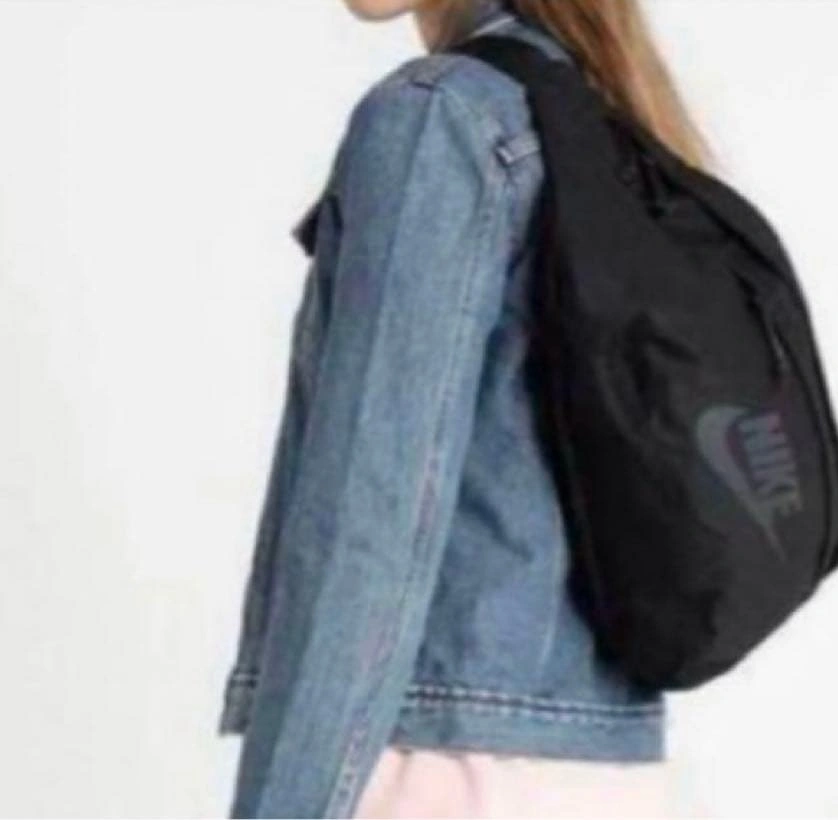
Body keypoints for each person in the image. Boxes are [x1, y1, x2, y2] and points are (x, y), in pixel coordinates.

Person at [219, 0, 713, 816]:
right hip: (605, 770)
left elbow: (370, 517)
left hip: (437, 769)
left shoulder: (438, 120)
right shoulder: (604, 114)